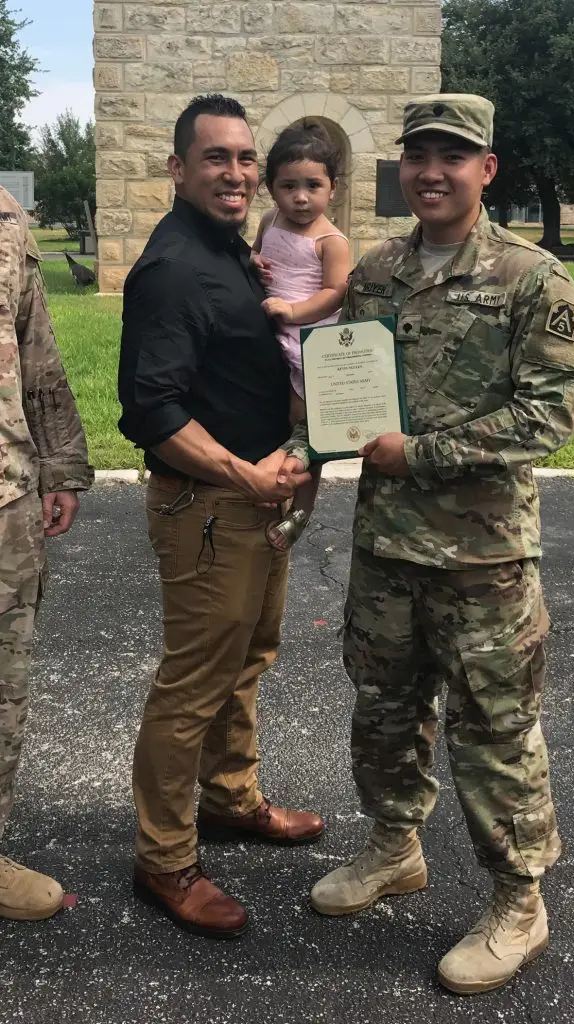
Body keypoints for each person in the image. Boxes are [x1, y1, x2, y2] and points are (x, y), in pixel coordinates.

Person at [310, 95, 574, 995]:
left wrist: (419, 453)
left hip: (482, 558)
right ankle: (395, 848)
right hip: (387, 548)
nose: (433, 171)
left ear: (485, 169)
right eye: (419, 154)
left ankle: (519, 899)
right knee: (383, 710)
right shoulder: (379, 273)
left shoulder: (533, 279)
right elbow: (346, 385)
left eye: (453, 156)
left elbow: (551, 413)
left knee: (494, 730)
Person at [118, 94, 325, 940]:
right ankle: (163, 858)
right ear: (177, 168)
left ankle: (230, 799)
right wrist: (245, 475)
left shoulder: (233, 253)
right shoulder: (171, 268)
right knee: (193, 685)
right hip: (211, 506)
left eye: (245, 158)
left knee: (247, 660)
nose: (236, 174)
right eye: (216, 159)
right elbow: (150, 409)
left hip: (255, 501)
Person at [0, 186, 92, 920]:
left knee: (3, 690)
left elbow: (35, 344)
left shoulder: (4, 215)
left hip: (5, 503)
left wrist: (61, 462)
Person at [250, 120, 350, 550]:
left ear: (333, 189)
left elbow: (334, 292)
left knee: (307, 429)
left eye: (313, 185)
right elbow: (256, 253)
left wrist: (292, 311)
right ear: (272, 188)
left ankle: (301, 510)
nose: (301, 197)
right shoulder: (270, 219)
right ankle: (272, 488)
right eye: (288, 185)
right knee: (272, 420)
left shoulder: (331, 241)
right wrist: (252, 261)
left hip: (310, 335)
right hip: (271, 325)